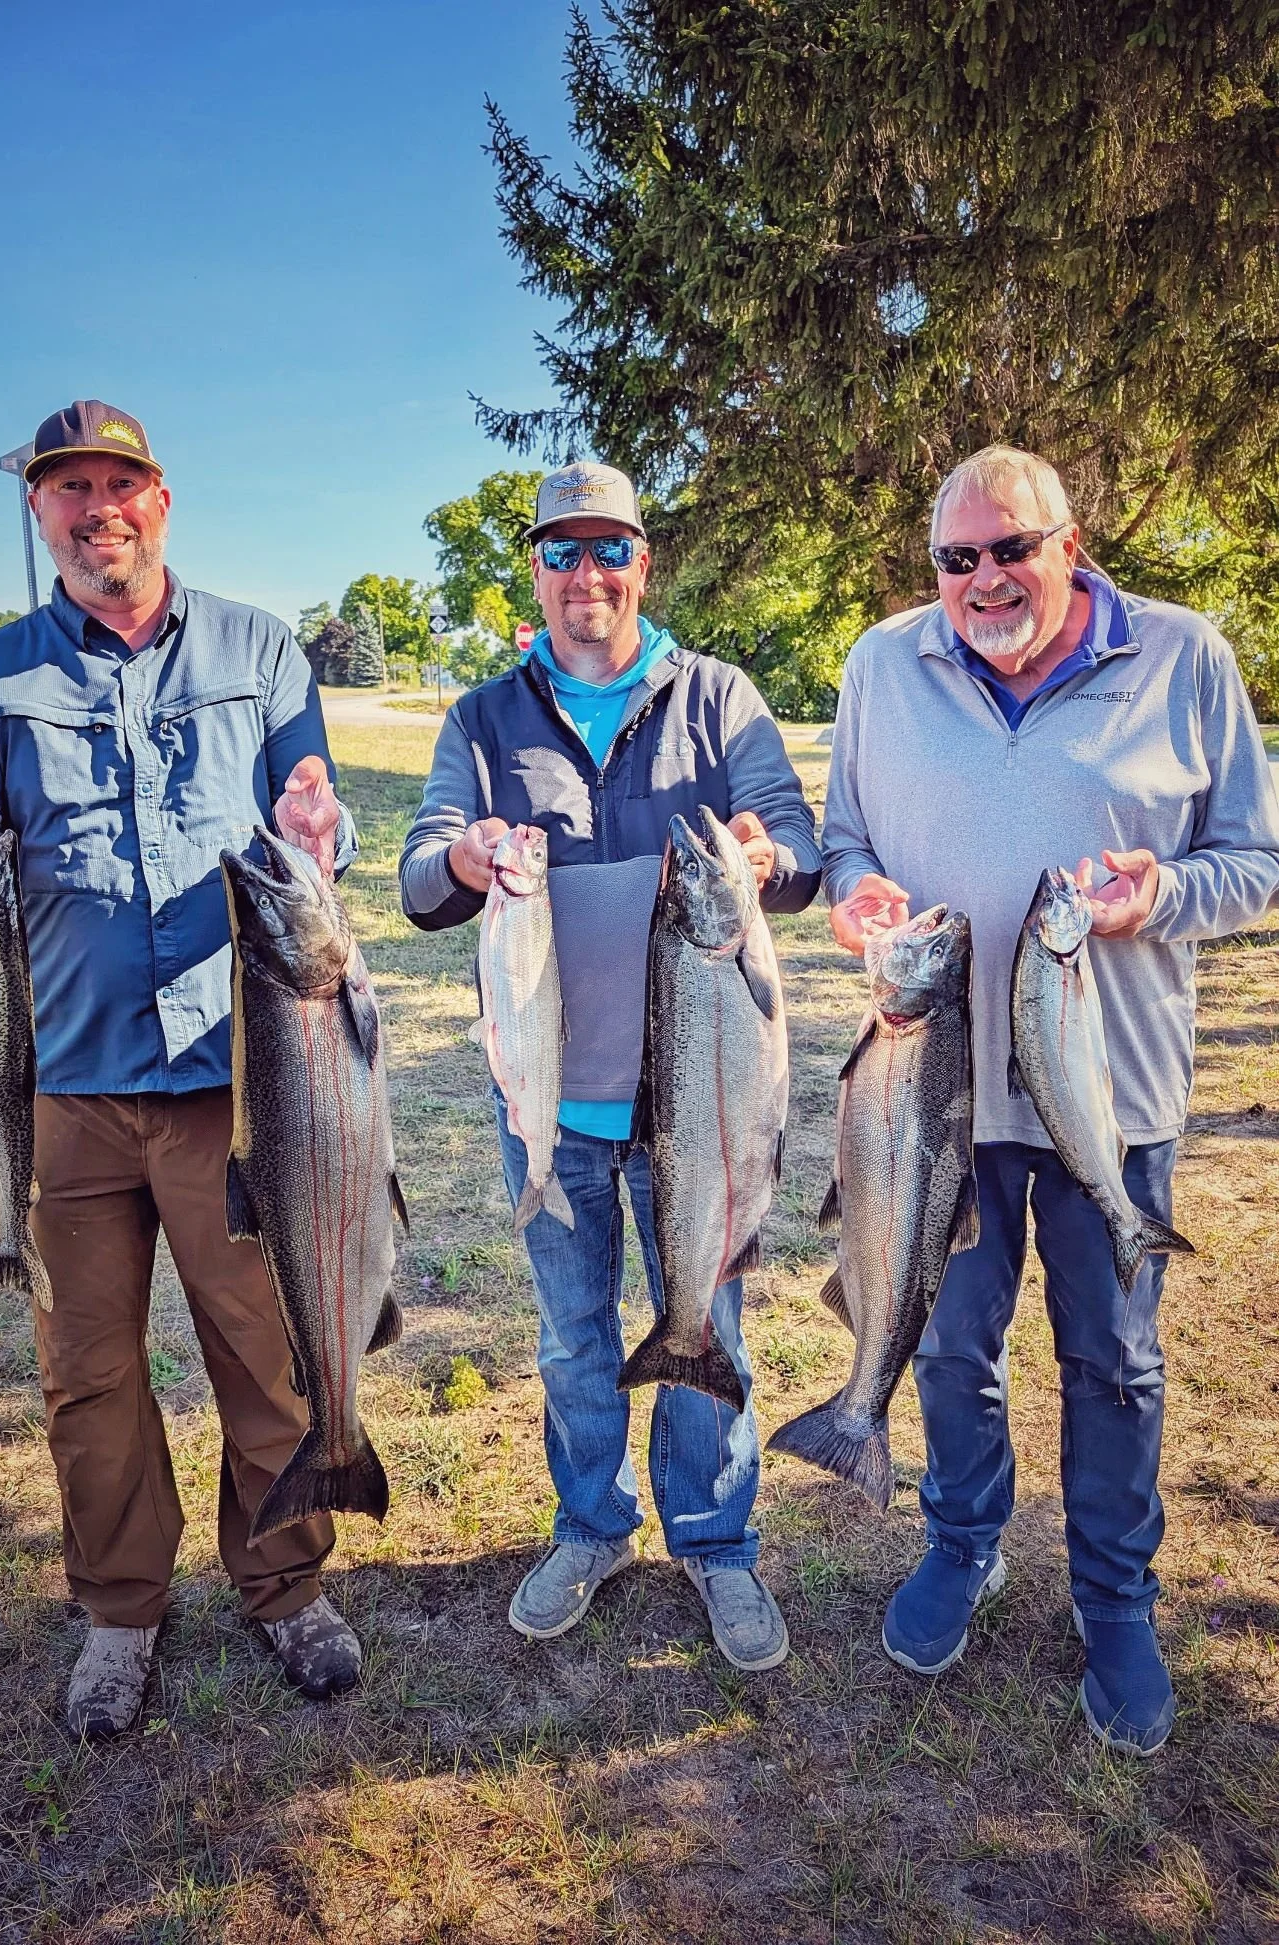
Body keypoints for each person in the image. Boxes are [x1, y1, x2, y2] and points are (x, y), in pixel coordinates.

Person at [0, 400, 365, 1738]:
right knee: (86, 1371)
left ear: (162, 499)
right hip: (63, 1093)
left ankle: (283, 1584)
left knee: (263, 1353)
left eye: (120, 485)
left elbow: (305, 806)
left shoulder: (261, 650)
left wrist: (320, 821)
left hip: (235, 1074)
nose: (99, 509)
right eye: (70, 490)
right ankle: (118, 1610)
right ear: (40, 513)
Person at [821, 444, 1279, 1753]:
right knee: (948, 1346)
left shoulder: (1182, 658)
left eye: (1009, 548)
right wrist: (854, 892)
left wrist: (1164, 897)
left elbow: (1250, 864)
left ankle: (1113, 1600)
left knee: (1113, 1361)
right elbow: (846, 832)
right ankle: (961, 1542)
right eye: (954, 558)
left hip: (1109, 1098)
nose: (982, 579)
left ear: (1068, 543)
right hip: (932, 1102)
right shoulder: (879, 662)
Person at [399, 462, 821, 1671]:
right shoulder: (485, 716)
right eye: (563, 551)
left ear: (646, 562)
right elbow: (422, 870)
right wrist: (468, 854)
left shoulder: (719, 696)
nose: (589, 574)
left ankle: (717, 1538)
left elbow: (794, 845)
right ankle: (590, 1525)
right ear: (534, 571)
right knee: (574, 1335)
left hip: (700, 1098)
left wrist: (762, 850)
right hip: (554, 1105)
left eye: (611, 549)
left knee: (711, 1322)